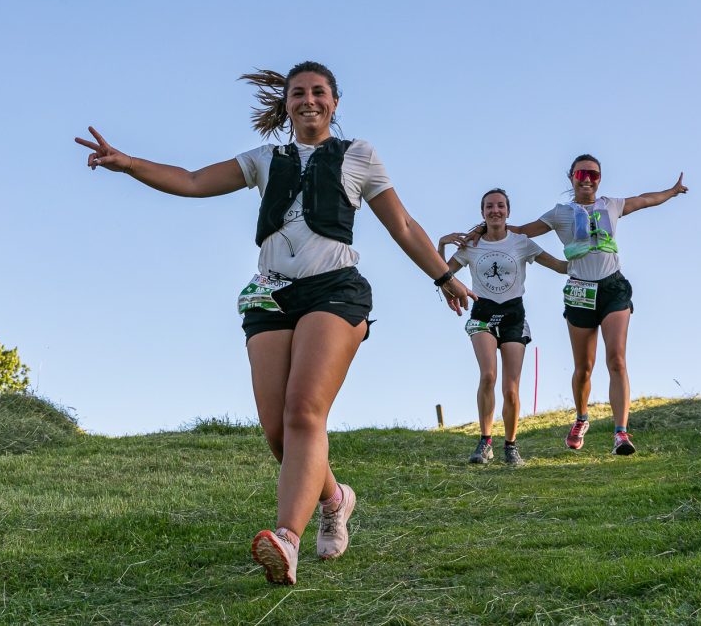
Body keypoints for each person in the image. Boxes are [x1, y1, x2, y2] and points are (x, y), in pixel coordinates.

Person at [75, 61, 474, 586]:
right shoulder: (264, 159)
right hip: (271, 295)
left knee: (305, 410)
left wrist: (442, 275)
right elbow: (194, 181)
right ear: (286, 104)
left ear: (335, 101)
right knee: (278, 432)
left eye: (319, 92)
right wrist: (129, 164)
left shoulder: (360, 156)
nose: (309, 100)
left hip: (335, 290)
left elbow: (401, 224)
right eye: (298, 93)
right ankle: (335, 500)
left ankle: (287, 539)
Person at [498, 154, 688, 455]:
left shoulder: (611, 205)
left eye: (593, 175)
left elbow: (645, 200)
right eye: (581, 174)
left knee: (617, 360)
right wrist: (486, 230)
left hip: (613, 288)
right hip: (579, 292)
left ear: (600, 179)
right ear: (571, 177)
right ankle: (581, 418)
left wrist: (672, 191)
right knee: (584, 368)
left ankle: (621, 434)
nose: (587, 180)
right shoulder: (560, 213)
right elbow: (522, 231)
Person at [438, 189, 567, 466]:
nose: (495, 210)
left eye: (500, 206)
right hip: (482, 315)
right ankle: (485, 443)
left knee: (511, 388)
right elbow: (441, 275)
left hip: (514, 317)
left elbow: (558, 266)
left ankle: (510, 445)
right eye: (489, 206)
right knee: (488, 376)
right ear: (482, 212)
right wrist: (442, 243)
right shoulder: (471, 246)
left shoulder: (521, 242)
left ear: (508, 211)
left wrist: (589, 263)